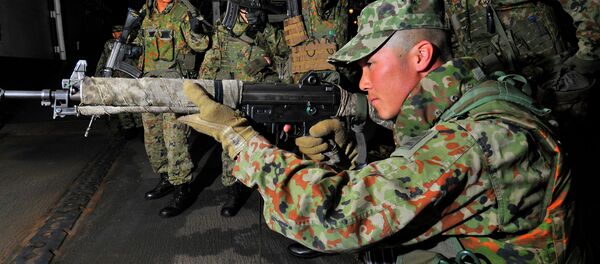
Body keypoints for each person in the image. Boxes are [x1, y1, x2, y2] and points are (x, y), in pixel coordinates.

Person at [178, 0, 573, 262]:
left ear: (421, 55)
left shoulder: (481, 141)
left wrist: (238, 138)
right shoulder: (468, 99)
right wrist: (352, 154)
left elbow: (332, 216)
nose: (363, 82)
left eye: (370, 65)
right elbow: (421, 169)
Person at [199, 2, 288, 217]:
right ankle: (234, 189)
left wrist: (265, 30)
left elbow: (285, 54)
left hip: (260, 95)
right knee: (232, 143)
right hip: (232, 93)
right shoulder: (225, 26)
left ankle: (272, 192)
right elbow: (213, 57)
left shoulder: (268, 26)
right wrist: (203, 87)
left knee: (265, 143)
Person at [134, 0, 210, 218]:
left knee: (175, 139)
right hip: (148, 84)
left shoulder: (184, 11)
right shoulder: (145, 11)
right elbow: (139, 42)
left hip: (175, 86)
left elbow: (201, 45)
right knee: (152, 137)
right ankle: (166, 178)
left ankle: (182, 189)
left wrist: (196, 29)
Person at [94, 24, 143, 140]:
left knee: (136, 105)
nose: (119, 34)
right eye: (117, 32)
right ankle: (128, 128)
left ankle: (141, 129)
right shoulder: (110, 45)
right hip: (117, 80)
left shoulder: (134, 42)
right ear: (113, 34)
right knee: (121, 106)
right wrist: (98, 77)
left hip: (132, 79)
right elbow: (103, 60)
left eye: (121, 31)